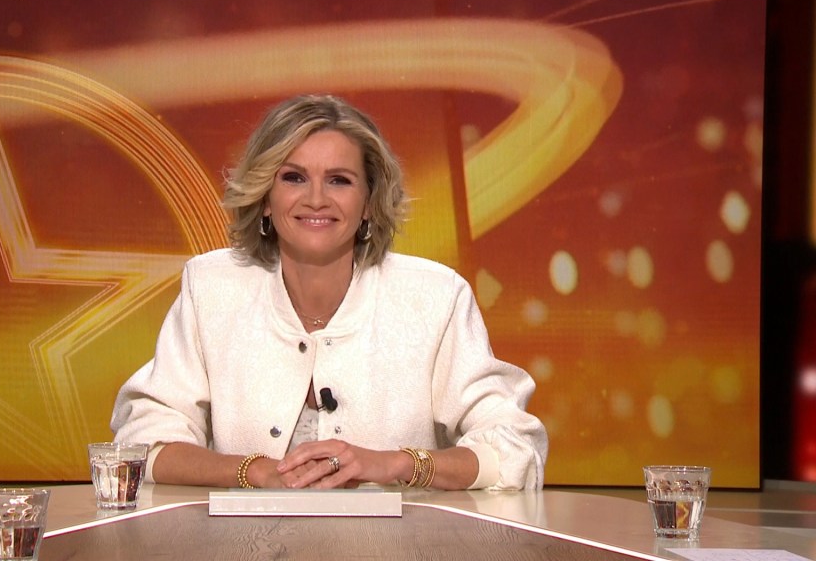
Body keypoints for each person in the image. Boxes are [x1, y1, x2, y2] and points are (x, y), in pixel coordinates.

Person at [111, 94, 547, 491]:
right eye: (294, 178)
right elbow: (143, 442)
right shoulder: (212, 287)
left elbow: (515, 448)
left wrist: (396, 464)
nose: (316, 199)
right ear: (265, 198)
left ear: (369, 202)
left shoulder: (434, 297)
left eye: (339, 180)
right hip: (245, 541)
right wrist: (255, 472)